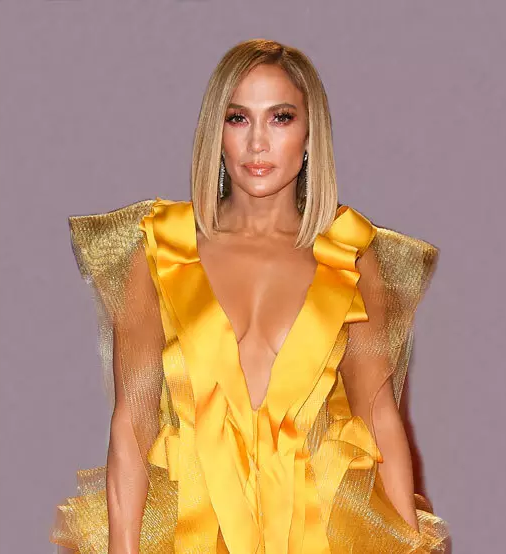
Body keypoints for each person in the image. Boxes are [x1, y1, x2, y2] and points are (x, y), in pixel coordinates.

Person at [50, 38, 451, 554]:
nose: (257, 143)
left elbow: (380, 419)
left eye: (280, 118)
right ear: (215, 133)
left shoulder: (350, 255)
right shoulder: (161, 250)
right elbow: (131, 425)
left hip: (320, 536)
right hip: (188, 536)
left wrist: (410, 545)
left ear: (310, 134)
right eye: (238, 118)